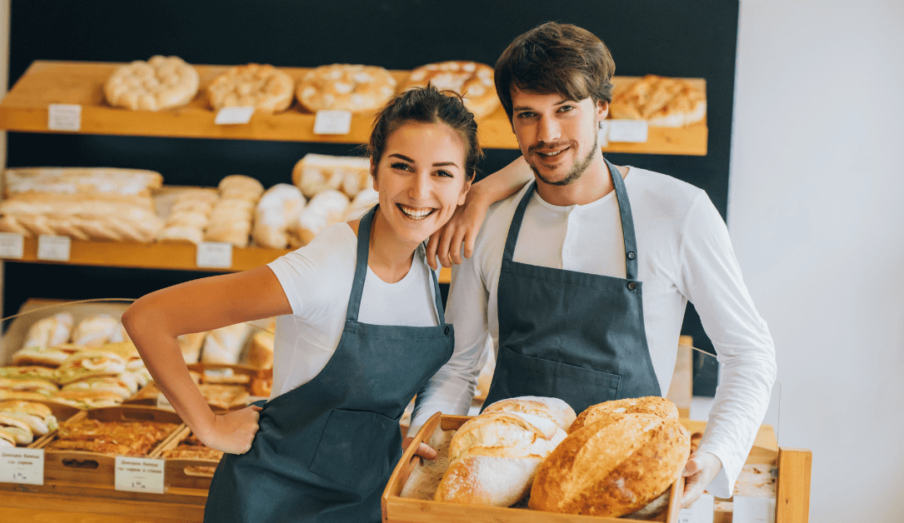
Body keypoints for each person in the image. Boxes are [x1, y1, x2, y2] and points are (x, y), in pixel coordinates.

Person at [408, 22, 777, 507]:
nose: (548, 134)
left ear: (601, 107)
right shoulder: (489, 222)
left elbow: (749, 354)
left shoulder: (678, 213)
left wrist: (714, 456)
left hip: (628, 492)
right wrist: (423, 446)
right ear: (512, 121)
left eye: (565, 110)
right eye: (528, 115)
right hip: (509, 490)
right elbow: (457, 369)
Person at [121, 86, 479, 522]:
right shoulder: (324, 267)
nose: (420, 191)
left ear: (466, 186)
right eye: (402, 167)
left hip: (366, 497)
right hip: (274, 501)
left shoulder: (427, 263)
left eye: (442, 173)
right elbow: (149, 317)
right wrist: (209, 425)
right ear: (374, 171)